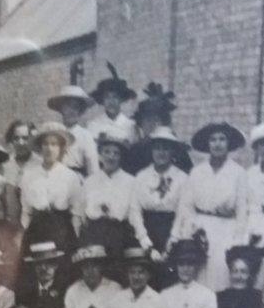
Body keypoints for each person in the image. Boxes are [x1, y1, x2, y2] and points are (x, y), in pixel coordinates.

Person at [172, 122, 248, 291]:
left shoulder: (239, 173)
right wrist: (187, 234)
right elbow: (187, 206)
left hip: (226, 230)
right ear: (207, 144)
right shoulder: (197, 172)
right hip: (200, 230)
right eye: (213, 139)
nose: (217, 144)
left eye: (222, 139)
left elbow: (242, 211)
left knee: (221, 273)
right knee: (198, 274)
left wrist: (238, 241)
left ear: (228, 144)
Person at [19, 122, 84, 253]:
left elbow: (76, 212)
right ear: (40, 147)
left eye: (54, 144)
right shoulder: (28, 175)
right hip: (36, 231)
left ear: (61, 148)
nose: (49, 148)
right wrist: (25, 232)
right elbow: (26, 210)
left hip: (62, 231)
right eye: (45, 144)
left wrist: (74, 237)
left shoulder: (70, 176)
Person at [81, 136, 147, 259]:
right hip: (95, 233)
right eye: (106, 152)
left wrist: (142, 238)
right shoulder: (90, 181)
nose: (111, 157)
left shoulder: (131, 181)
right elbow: (83, 213)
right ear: (100, 155)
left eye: (116, 153)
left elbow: (134, 213)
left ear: (121, 157)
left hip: (120, 234)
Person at [128, 126, 189, 256]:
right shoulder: (141, 176)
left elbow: (183, 212)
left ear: (173, 151)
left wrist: (173, 241)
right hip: (145, 232)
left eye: (166, 148)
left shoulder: (182, 178)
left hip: (172, 233)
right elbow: (134, 210)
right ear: (151, 151)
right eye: (157, 148)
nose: (161, 153)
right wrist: (145, 241)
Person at [124, 83, 191, 174]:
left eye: (156, 120)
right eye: (147, 120)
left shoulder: (177, 150)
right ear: (141, 124)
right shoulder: (135, 152)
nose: (152, 125)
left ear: (164, 123)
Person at [15, 242, 69, 308]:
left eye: (49, 263)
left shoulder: (65, 291)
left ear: (56, 265)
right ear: (34, 267)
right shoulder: (24, 293)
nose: (44, 268)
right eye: (39, 264)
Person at [46, 86, 98, 178]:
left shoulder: (86, 135)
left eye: (75, 107)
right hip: (54, 177)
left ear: (80, 111)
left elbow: (93, 168)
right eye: (67, 106)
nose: (71, 111)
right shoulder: (54, 131)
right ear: (61, 109)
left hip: (76, 178)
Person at [86, 62, 138, 144]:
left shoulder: (131, 126)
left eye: (115, 97)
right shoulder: (93, 125)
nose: (111, 101)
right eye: (107, 97)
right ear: (102, 100)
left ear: (121, 99)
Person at [0, 120, 39, 225]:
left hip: (35, 224)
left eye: (25, 138)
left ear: (32, 139)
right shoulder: (6, 165)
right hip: (12, 224)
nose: (21, 143)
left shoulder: (40, 164)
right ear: (11, 140)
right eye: (16, 138)